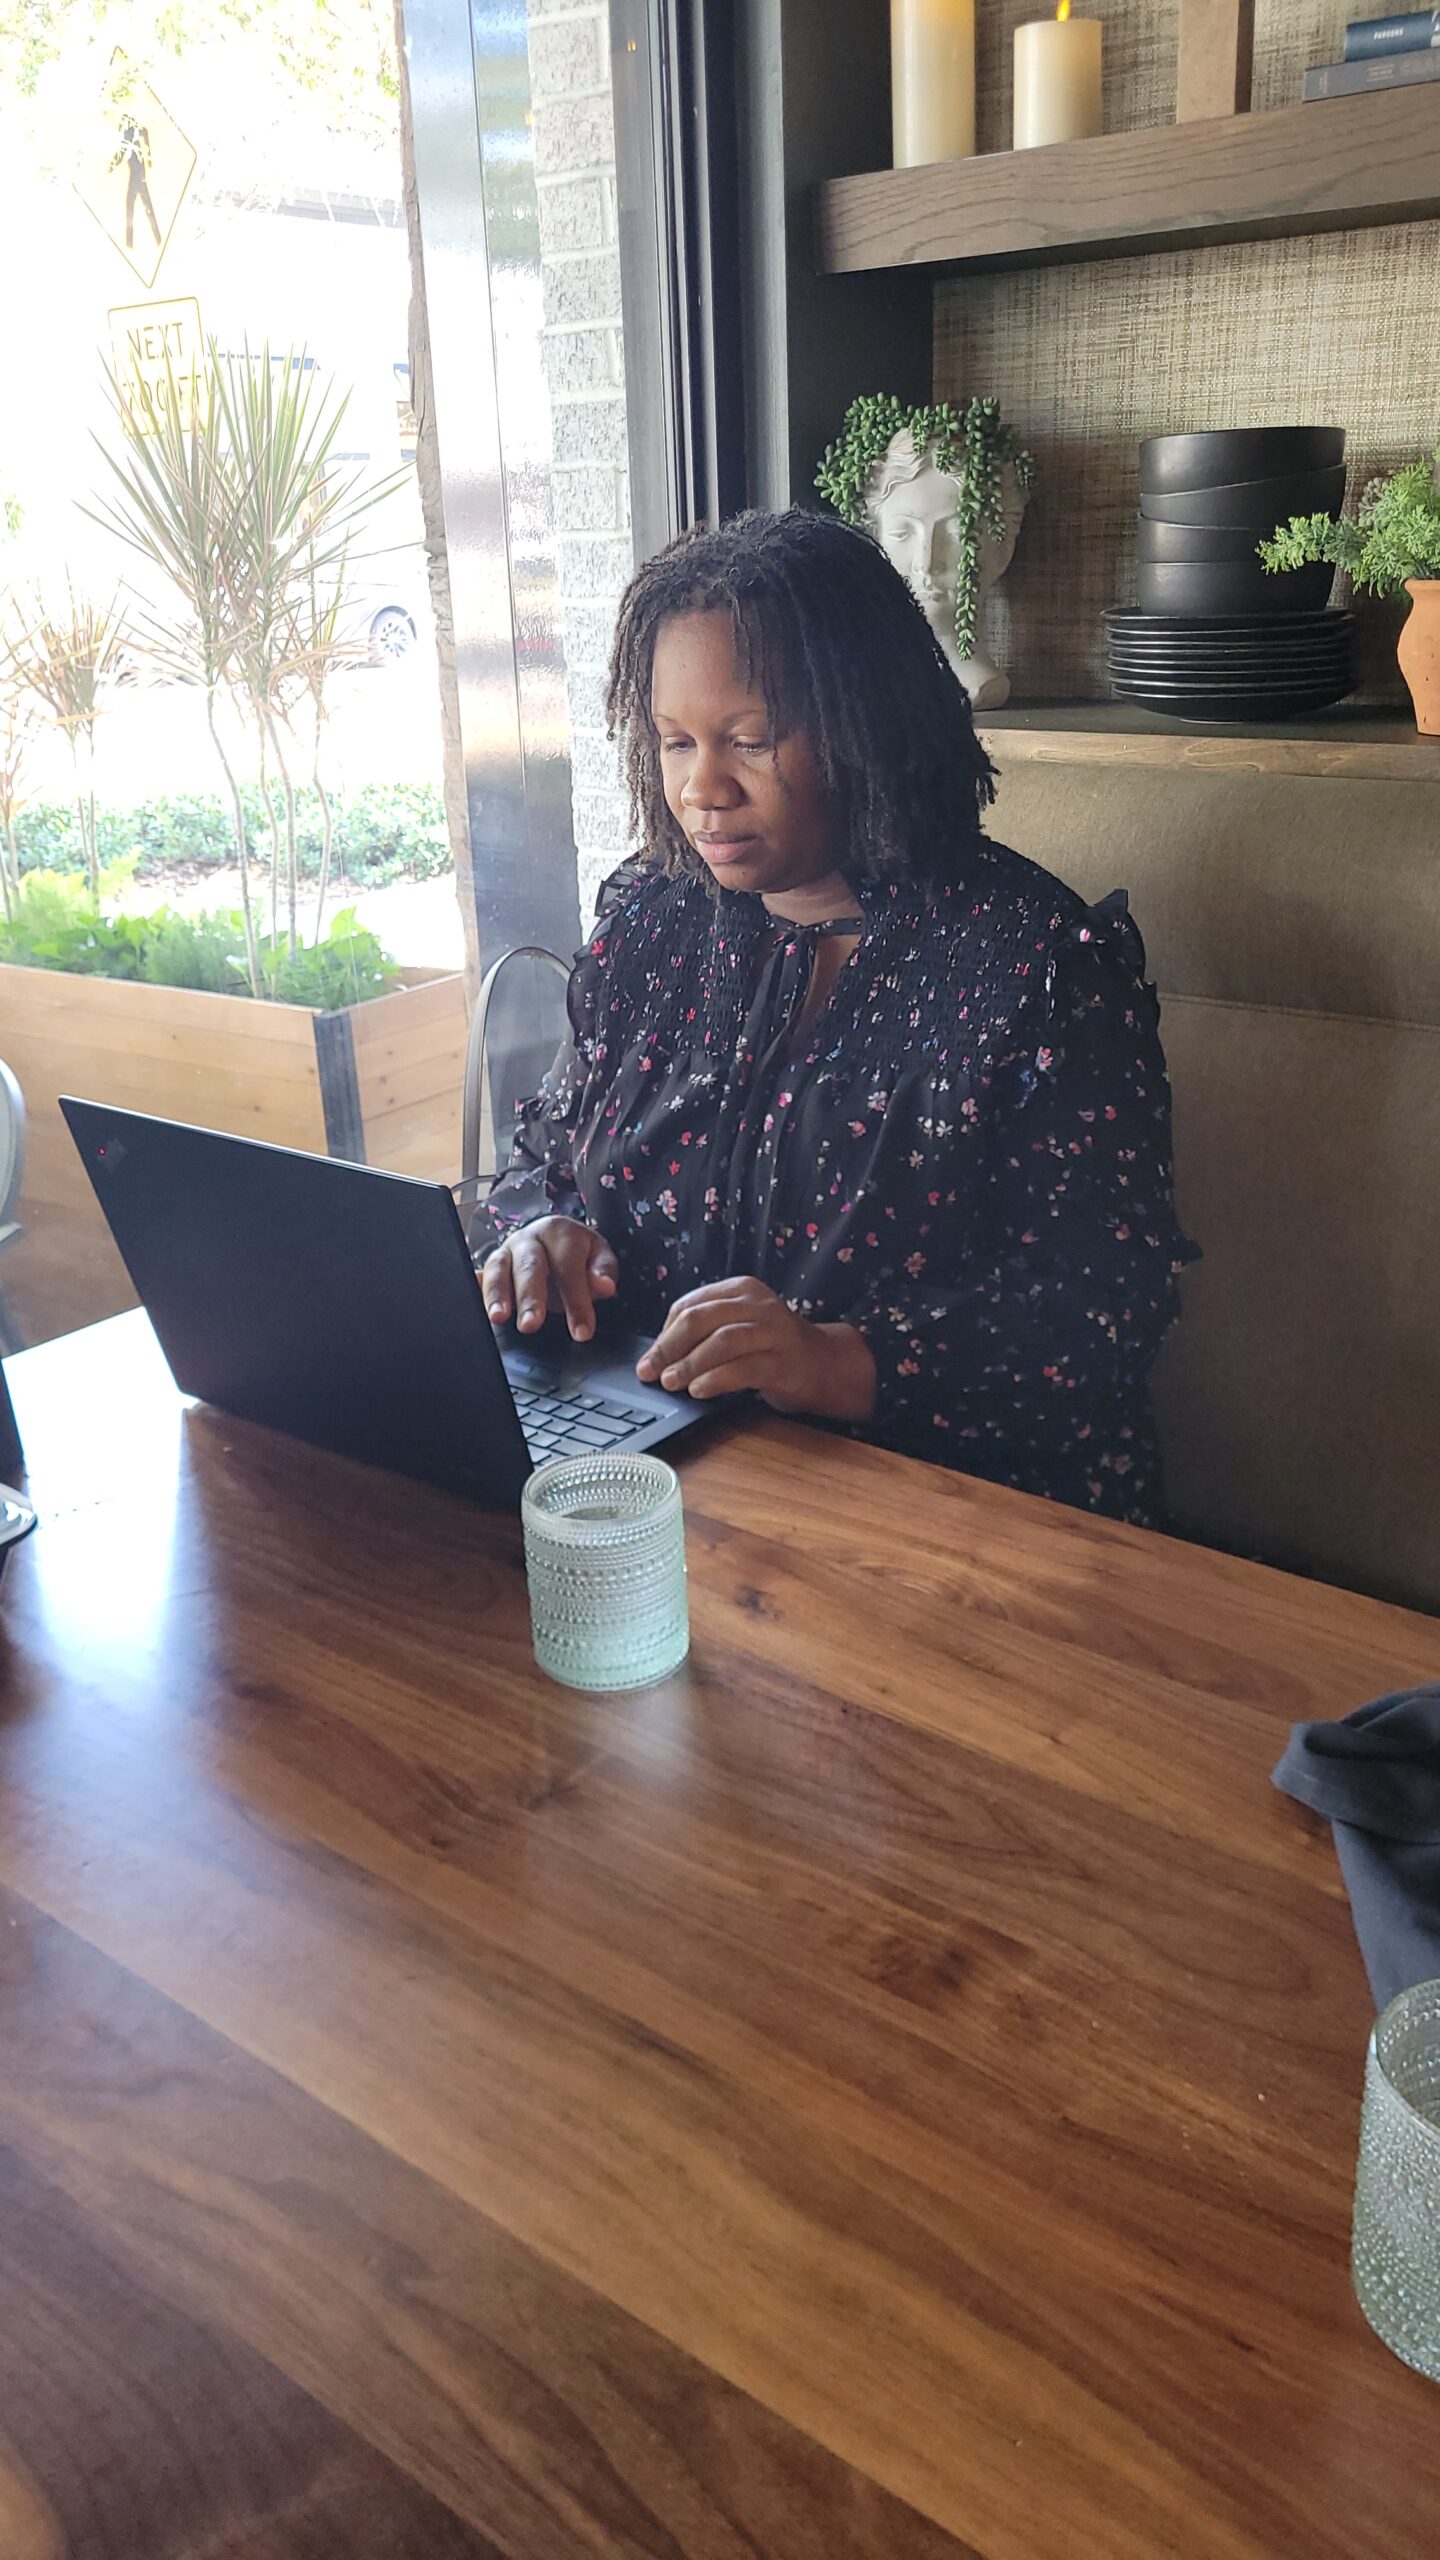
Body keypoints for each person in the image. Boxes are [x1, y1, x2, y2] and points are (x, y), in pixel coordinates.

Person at [479, 509, 1195, 1523]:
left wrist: (836, 1360)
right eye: (675, 741)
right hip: (664, 1476)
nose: (701, 788)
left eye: (750, 740)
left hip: (949, 1521)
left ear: (867, 722)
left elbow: (1103, 1314)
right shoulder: (653, 923)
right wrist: (540, 1231)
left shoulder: (1036, 969)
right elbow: (547, 1159)